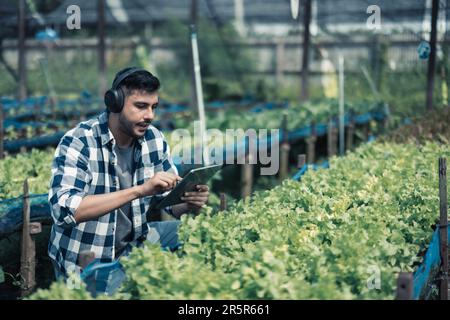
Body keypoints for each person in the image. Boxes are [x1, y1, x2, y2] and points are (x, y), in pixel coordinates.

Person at [48, 67, 209, 282]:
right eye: (141, 106)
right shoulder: (80, 140)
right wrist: (139, 191)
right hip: (86, 256)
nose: (149, 116)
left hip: (135, 244)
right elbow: (63, 210)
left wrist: (189, 203)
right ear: (114, 102)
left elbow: (168, 202)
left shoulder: (154, 139)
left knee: (198, 235)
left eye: (154, 107)